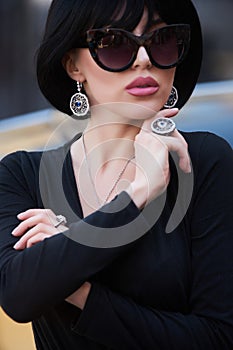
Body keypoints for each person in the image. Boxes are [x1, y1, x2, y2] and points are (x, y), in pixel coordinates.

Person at [0, 0, 233, 349]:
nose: (143, 60)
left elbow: (218, 338)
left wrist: (76, 288)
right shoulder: (20, 175)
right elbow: (19, 297)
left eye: (162, 40)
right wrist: (136, 196)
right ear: (72, 65)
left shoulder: (205, 163)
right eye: (114, 44)